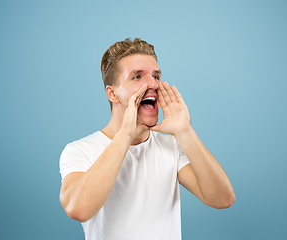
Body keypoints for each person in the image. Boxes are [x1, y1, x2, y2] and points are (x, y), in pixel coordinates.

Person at [59, 38, 236, 240]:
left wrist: (185, 131)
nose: (153, 84)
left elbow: (223, 199)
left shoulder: (170, 146)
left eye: (156, 76)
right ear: (112, 93)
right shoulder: (80, 150)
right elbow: (78, 209)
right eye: (137, 77)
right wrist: (125, 135)